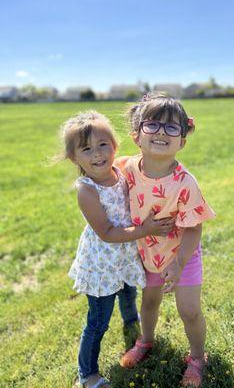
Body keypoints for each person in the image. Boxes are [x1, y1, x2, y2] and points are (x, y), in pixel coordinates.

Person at [58, 110, 174, 388]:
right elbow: (107, 233)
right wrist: (145, 230)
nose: (97, 154)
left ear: (115, 146)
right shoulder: (87, 190)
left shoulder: (120, 171)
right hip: (101, 263)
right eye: (86, 149)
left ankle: (131, 321)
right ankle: (87, 374)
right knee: (97, 321)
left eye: (102, 145)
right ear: (75, 158)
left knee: (128, 289)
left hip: (124, 255)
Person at [116, 92, 216, 388]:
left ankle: (198, 357)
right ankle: (146, 341)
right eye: (153, 125)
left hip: (182, 254)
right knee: (149, 303)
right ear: (137, 136)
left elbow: (194, 228)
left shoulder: (185, 182)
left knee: (189, 310)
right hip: (148, 251)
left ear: (182, 141)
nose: (161, 132)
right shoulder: (126, 168)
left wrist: (178, 263)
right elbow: (101, 175)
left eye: (172, 127)